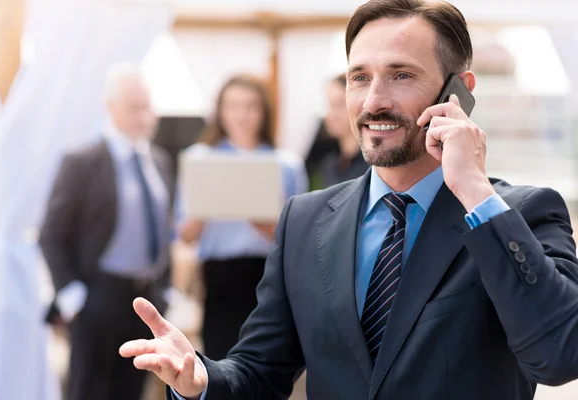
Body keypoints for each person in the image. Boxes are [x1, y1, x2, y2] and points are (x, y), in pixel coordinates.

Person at [119, 1, 578, 399]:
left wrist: (475, 190)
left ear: (459, 92)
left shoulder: (522, 213)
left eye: (401, 74)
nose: (373, 101)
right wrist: (201, 379)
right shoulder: (305, 220)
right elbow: (260, 373)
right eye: (359, 77)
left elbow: (559, 355)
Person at [40, 63, 174, 400]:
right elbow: (52, 232)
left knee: (131, 389)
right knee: (88, 389)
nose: (143, 115)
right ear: (111, 109)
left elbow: (162, 228)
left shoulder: (159, 161)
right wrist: (72, 296)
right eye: (134, 107)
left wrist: (166, 289)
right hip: (98, 294)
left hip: (146, 300)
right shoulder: (83, 161)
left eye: (147, 106)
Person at [175, 75, 308, 360]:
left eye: (251, 106)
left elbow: (301, 236)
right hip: (218, 277)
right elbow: (184, 234)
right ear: (220, 112)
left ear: (264, 112)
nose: (242, 115)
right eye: (233, 106)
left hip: (268, 277)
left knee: (265, 362)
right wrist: (202, 215)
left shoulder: (286, 164)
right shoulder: (199, 159)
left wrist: (267, 225)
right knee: (221, 362)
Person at [316, 73, 369, 188]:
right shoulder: (329, 164)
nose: (331, 115)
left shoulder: (373, 164)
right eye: (329, 106)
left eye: (339, 105)